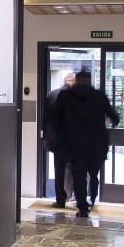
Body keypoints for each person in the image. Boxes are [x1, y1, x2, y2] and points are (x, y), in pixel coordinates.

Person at [53, 71, 119, 217]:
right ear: (89, 81)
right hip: (97, 144)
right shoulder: (99, 96)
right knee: (94, 174)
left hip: (75, 143)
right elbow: (115, 117)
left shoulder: (65, 96)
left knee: (79, 175)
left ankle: (82, 208)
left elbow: (53, 116)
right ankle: (93, 200)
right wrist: (102, 124)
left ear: (76, 80)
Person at [42, 72, 75, 208]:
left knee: (59, 170)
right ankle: (78, 198)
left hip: (56, 139)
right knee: (77, 169)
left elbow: (45, 118)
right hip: (73, 139)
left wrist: (45, 137)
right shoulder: (76, 97)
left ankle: (60, 199)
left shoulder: (51, 94)